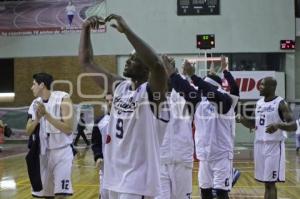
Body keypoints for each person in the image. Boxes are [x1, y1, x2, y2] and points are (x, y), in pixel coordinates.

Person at [79, 14, 169, 199]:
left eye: (134, 59)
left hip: (138, 182)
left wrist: (126, 31)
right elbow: (86, 62)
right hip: (113, 177)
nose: (128, 61)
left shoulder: (153, 94)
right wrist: (85, 29)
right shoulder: (119, 86)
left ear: (146, 69)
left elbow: (158, 66)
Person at [163, 56, 238, 199]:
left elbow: (213, 93)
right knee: (205, 192)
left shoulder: (225, 101)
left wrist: (193, 76)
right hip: (204, 157)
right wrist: (172, 73)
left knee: (221, 193)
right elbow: (184, 87)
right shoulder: (199, 101)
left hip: (222, 156)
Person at [239, 77, 297, 199]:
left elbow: (294, 125)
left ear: (272, 87)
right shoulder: (259, 103)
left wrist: (278, 125)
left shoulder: (281, 103)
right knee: (266, 183)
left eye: (263, 85)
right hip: (259, 145)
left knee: (271, 183)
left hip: (274, 146)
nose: (259, 87)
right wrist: (242, 119)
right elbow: (254, 124)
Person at [26, 72, 74, 199]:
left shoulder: (63, 98)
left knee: (61, 195)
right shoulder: (34, 103)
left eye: (34, 84)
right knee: (45, 195)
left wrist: (46, 115)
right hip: (43, 154)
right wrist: (37, 119)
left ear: (42, 85)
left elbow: (68, 129)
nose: (32, 87)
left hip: (62, 153)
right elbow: (28, 131)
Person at [156, 57, 194, 199]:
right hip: (160, 159)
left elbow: (190, 92)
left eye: (169, 71)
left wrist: (175, 73)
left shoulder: (185, 95)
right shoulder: (154, 97)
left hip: (182, 160)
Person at [91, 93, 113, 199]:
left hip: (123, 167)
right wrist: (98, 156)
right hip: (106, 167)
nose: (110, 103)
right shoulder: (99, 122)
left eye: (112, 100)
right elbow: (96, 143)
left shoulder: (127, 120)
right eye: (107, 101)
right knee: (104, 195)